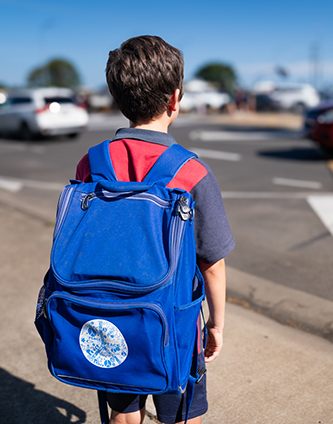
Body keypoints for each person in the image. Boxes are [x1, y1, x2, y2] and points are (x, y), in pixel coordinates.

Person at [74, 35, 235, 424]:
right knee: (181, 414)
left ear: (118, 99)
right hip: (173, 324)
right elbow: (211, 262)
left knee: (124, 413)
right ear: (174, 99)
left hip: (108, 316)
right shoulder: (191, 172)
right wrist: (216, 324)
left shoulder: (91, 163)